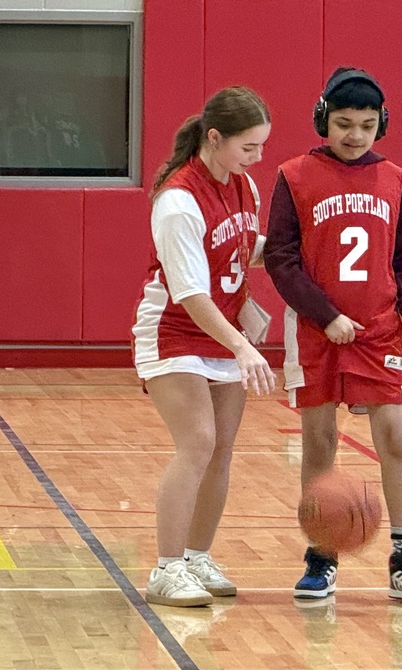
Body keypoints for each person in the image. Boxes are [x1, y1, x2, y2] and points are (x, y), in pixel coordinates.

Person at [264, 67, 402, 605]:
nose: (355, 135)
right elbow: (281, 259)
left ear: (381, 123)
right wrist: (324, 315)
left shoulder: (393, 178)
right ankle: (321, 557)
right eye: (343, 123)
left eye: (366, 125)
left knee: (396, 439)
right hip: (316, 332)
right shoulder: (294, 176)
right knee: (319, 442)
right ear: (323, 119)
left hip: (380, 330)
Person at [132, 86, 276, 608]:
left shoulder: (243, 186)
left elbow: (243, 247)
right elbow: (191, 293)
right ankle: (166, 569)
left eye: (261, 147)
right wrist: (243, 347)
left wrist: (297, 251)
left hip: (223, 331)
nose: (257, 157)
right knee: (197, 442)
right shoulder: (178, 201)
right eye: (248, 147)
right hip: (174, 331)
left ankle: (196, 556)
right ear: (214, 138)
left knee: (221, 451)